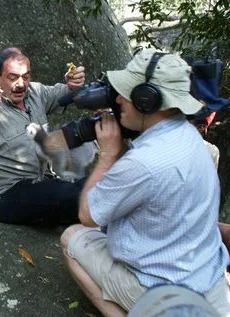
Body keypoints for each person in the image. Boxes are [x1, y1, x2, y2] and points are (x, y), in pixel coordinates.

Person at [60, 48, 230, 316]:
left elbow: (88, 215)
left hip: (166, 294)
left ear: (146, 99)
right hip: (208, 284)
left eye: (125, 92)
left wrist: (107, 155)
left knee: (71, 238)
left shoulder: (142, 163)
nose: (117, 98)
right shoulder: (192, 138)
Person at [0, 47, 87, 225]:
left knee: (97, 185)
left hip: (41, 184)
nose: (21, 84)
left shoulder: (35, 93)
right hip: (4, 195)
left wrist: (74, 84)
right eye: (13, 77)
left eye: (25, 76)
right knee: (69, 195)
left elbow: (66, 93)